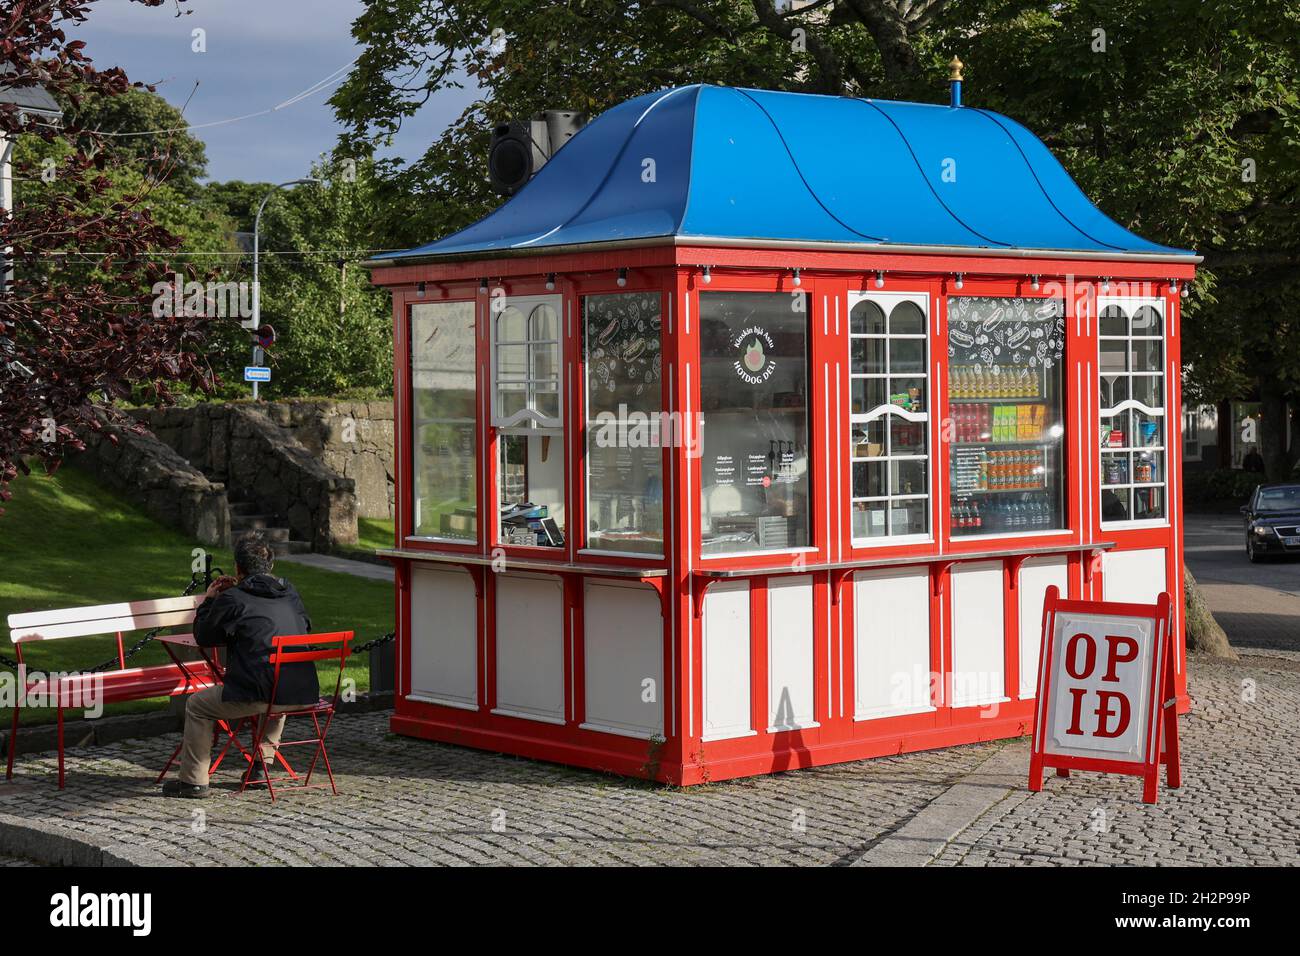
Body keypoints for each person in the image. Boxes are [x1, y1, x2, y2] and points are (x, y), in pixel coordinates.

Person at [162, 532, 318, 799]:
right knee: (276, 684)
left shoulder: (233, 598)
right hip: (301, 690)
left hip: (259, 693)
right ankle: (261, 768)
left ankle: (193, 781)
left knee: (198, 705)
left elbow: (204, 636)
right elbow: (304, 626)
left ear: (238, 567)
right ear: (272, 565)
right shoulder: (289, 592)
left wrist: (210, 599)